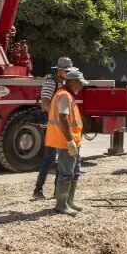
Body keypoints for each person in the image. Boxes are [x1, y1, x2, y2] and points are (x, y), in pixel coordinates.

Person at [46, 67, 87, 216]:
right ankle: (61, 205)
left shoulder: (67, 95)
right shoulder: (64, 95)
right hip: (66, 142)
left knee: (74, 172)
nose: (81, 86)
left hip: (73, 142)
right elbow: (63, 118)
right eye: (79, 83)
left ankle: (69, 201)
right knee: (66, 173)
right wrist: (70, 142)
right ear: (72, 81)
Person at [32, 57, 73, 200]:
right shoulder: (51, 83)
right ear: (60, 70)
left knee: (60, 160)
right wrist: (58, 114)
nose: (68, 73)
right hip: (52, 125)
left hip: (60, 125)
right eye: (66, 70)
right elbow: (44, 104)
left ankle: (57, 191)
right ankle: (38, 190)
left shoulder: (64, 84)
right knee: (49, 159)